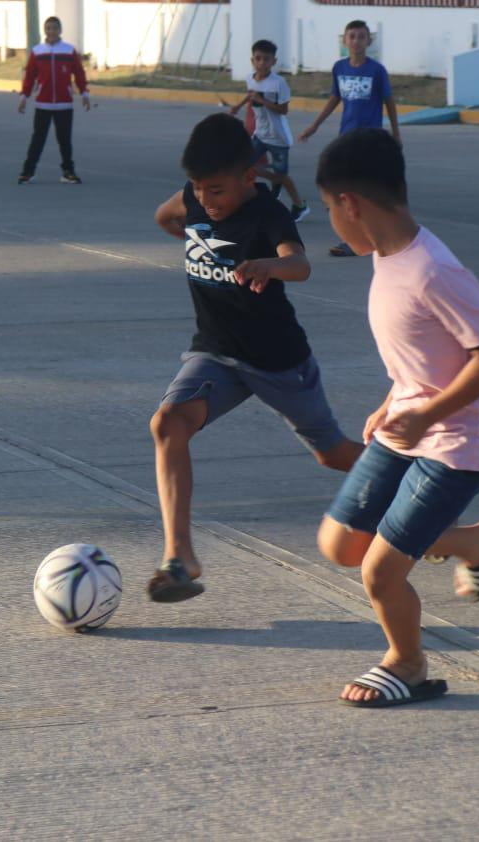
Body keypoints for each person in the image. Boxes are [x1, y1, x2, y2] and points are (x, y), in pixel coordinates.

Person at [315, 128, 479, 708]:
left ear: (350, 204)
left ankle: (407, 663)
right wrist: (394, 399)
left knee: (379, 572)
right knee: (341, 543)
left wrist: (428, 409)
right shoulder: (387, 258)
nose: (331, 219)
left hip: (458, 441)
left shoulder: (433, 270)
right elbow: (425, 354)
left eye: (330, 208)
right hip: (408, 422)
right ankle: (477, 542)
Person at [147, 113, 364, 603]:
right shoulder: (193, 199)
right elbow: (167, 217)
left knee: (331, 453)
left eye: (217, 191)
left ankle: (411, 478)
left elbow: (301, 264)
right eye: (199, 189)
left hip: (278, 360)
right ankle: (180, 557)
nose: (206, 200)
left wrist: (271, 264)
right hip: (216, 353)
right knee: (168, 424)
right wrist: (195, 236)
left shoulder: (268, 213)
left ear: (250, 177)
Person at [298, 19, 401, 257]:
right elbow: (335, 98)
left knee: (365, 188)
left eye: (361, 36)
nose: (356, 41)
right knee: (344, 186)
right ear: (344, 40)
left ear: (369, 41)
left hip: (370, 139)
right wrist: (314, 126)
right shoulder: (339, 68)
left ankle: (370, 236)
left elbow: (389, 101)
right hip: (347, 138)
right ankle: (355, 238)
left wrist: (396, 133)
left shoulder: (376, 70)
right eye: (352, 36)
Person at [227, 39, 310, 223]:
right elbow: (251, 96)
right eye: (258, 58)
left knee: (281, 176)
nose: (262, 63)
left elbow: (283, 110)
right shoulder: (250, 78)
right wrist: (237, 107)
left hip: (279, 138)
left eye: (266, 59)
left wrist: (263, 101)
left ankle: (299, 205)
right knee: (243, 165)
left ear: (274, 61)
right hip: (260, 134)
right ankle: (256, 197)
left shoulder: (278, 83)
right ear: (252, 60)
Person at [17, 16, 90, 184]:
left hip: (64, 104)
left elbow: (79, 73)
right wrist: (24, 96)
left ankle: (68, 172)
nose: (51, 31)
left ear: (60, 30)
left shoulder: (69, 51)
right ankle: (28, 172)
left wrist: (84, 93)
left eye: (54, 28)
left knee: (65, 140)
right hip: (43, 103)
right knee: (38, 139)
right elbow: (29, 76)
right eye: (48, 28)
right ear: (45, 30)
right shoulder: (37, 51)